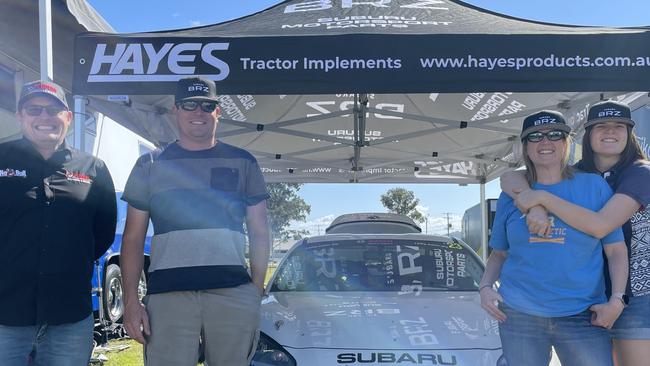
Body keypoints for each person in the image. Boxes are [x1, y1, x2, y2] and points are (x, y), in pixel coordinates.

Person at [121, 76, 270, 366]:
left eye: (207, 105)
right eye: (189, 104)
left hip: (232, 293)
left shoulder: (244, 161)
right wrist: (130, 301)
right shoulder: (149, 164)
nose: (198, 112)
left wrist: (255, 287)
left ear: (218, 111)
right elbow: (133, 238)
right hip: (167, 296)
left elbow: (260, 229)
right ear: (176, 109)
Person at [501, 100, 650, 366]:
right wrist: (533, 205)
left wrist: (541, 198)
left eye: (619, 126)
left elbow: (601, 225)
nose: (610, 131)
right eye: (601, 126)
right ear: (587, 135)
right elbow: (511, 177)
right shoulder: (580, 174)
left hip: (636, 293)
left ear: (630, 134)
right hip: (591, 296)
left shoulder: (640, 172)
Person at [0, 80, 117, 365]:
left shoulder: (94, 169)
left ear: (68, 118)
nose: (44, 117)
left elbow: (101, 235)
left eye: (53, 110)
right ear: (20, 116)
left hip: (69, 318)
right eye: (34, 110)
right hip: (5, 316)